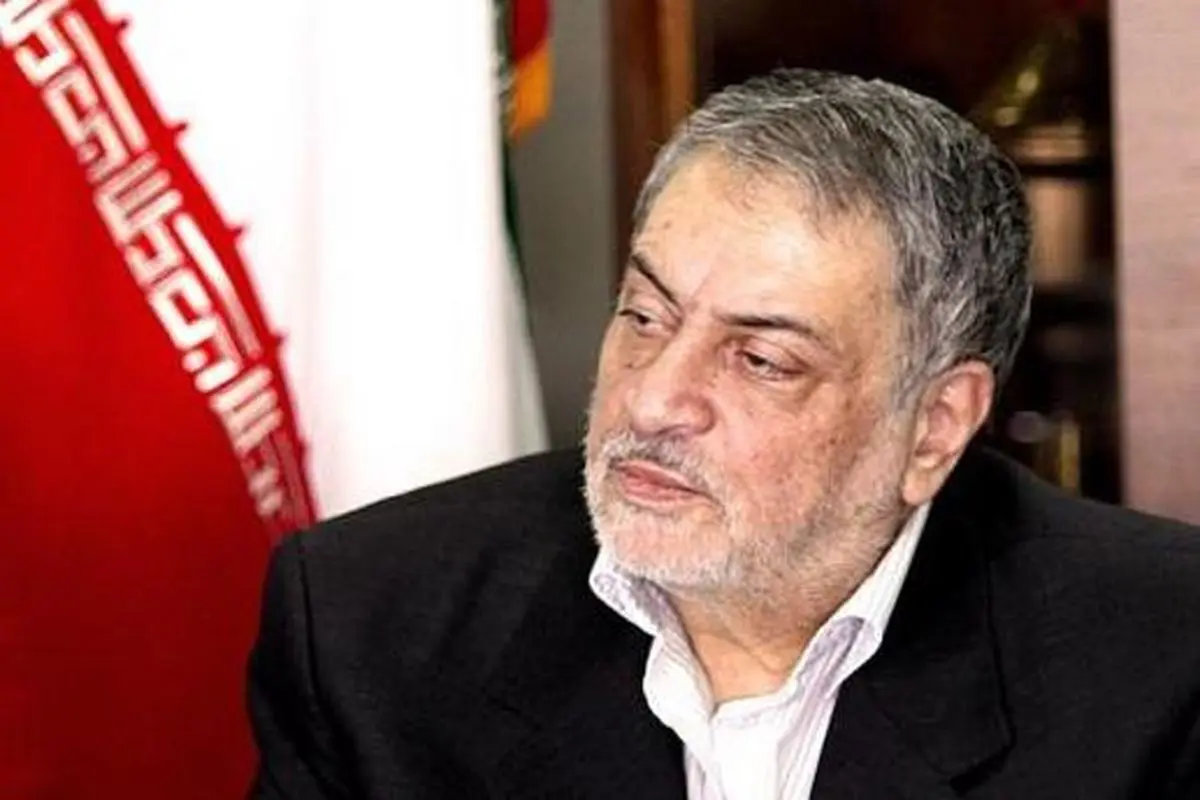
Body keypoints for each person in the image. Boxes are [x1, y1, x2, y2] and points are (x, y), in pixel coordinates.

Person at [247, 69, 1200, 799]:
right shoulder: (371, 627)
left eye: (761, 360)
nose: (654, 401)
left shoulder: (1163, 662)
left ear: (934, 427)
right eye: (645, 317)